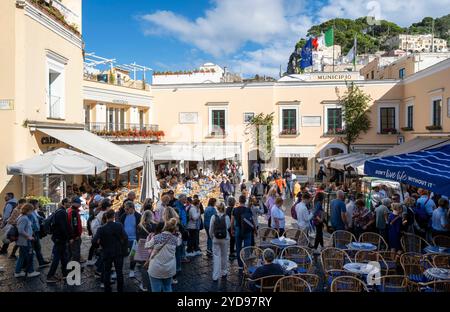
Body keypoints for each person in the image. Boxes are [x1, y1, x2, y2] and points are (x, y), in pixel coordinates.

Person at [93, 209, 128, 292]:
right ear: (113, 217)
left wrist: (99, 245)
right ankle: (120, 289)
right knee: (119, 271)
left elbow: (94, 241)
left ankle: (107, 288)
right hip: (118, 251)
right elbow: (125, 237)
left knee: (107, 271)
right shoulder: (119, 225)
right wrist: (123, 246)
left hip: (106, 252)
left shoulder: (101, 229)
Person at [145, 218, 182, 292]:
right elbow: (179, 242)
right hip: (169, 269)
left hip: (155, 268)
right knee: (167, 287)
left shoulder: (156, 238)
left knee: (156, 290)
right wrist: (179, 235)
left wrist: (148, 238)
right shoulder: (175, 239)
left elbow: (146, 246)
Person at [46, 198, 71, 283]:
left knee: (64, 256)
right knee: (57, 258)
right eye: (69, 202)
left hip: (59, 238)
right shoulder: (62, 212)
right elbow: (62, 227)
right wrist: (68, 237)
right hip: (60, 238)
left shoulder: (61, 211)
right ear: (64, 203)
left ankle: (65, 273)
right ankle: (50, 276)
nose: (70, 203)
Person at [14, 203, 40, 278]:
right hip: (25, 241)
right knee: (29, 256)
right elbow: (20, 230)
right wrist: (29, 236)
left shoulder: (21, 216)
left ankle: (17, 272)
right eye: (31, 210)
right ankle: (30, 271)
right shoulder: (24, 218)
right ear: (28, 210)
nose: (32, 212)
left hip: (22, 241)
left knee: (22, 257)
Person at [231, 195, 255, 270]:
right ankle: (246, 264)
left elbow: (232, 221)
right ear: (245, 201)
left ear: (239, 200)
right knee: (247, 248)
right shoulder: (248, 209)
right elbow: (252, 220)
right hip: (247, 230)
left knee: (238, 247)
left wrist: (232, 229)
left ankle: (240, 265)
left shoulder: (235, 210)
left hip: (238, 229)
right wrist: (255, 230)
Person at [119, 201, 141, 278]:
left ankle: (131, 270)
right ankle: (119, 270)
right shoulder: (123, 216)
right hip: (125, 240)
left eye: (127, 209)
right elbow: (120, 226)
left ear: (132, 208)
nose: (125, 210)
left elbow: (140, 228)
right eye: (125, 209)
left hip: (134, 240)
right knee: (122, 254)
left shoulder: (138, 216)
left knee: (133, 256)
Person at [135, 210, 156, 291]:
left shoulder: (139, 226)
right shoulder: (154, 225)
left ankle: (144, 285)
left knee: (143, 267)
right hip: (151, 246)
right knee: (152, 265)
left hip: (142, 246)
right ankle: (152, 282)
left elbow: (137, 238)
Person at [209, 202, 231, 281]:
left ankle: (215, 276)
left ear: (217, 208)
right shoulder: (227, 217)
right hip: (224, 239)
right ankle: (224, 272)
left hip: (216, 238)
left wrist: (212, 237)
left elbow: (210, 229)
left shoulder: (213, 217)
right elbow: (228, 226)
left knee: (216, 256)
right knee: (224, 256)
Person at [87, 198, 111, 266]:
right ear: (106, 207)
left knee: (94, 246)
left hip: (96, 233)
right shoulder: (105, 214)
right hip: (100, 234)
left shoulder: (99, 212)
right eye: (109, 206)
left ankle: (90, 260)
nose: (110, 207)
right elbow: (105, 225)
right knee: (101, 248)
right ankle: (98, 265)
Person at [28, 199, 50, 268]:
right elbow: (30, 223)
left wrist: (44, 219)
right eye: (37, 204)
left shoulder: (34, 211)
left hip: (36, 232)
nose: (38, 205)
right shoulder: (30, 213)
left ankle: (41, 262)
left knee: (37, 248)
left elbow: (38, 217)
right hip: (33, 233)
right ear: (33, 205)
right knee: (33, 249)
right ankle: (26, 267)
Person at [67, 197, 83, 263]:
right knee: (75, 253)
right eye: (79, 203)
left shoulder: (72, 211)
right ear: (74, 203)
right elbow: (73, 225)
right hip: (75, 236)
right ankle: (75, 268)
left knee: (72, 252)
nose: (80, 204)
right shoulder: (73, 212)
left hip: (74, 236)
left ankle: (71, 266)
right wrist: (75, 236)